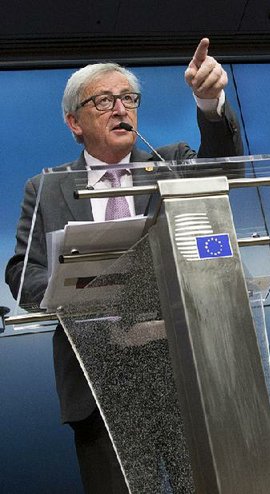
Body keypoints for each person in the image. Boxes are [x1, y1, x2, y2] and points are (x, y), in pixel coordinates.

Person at [5, 38, 243, 493]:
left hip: (183, 372)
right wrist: (83, 284)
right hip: (100, 385)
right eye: (105, 101)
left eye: (128, 99)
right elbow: (22, 275)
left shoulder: (170, 164)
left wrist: (210, 106)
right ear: (75, 122)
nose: (121, 109)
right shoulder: (47, 188)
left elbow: (225, 170)